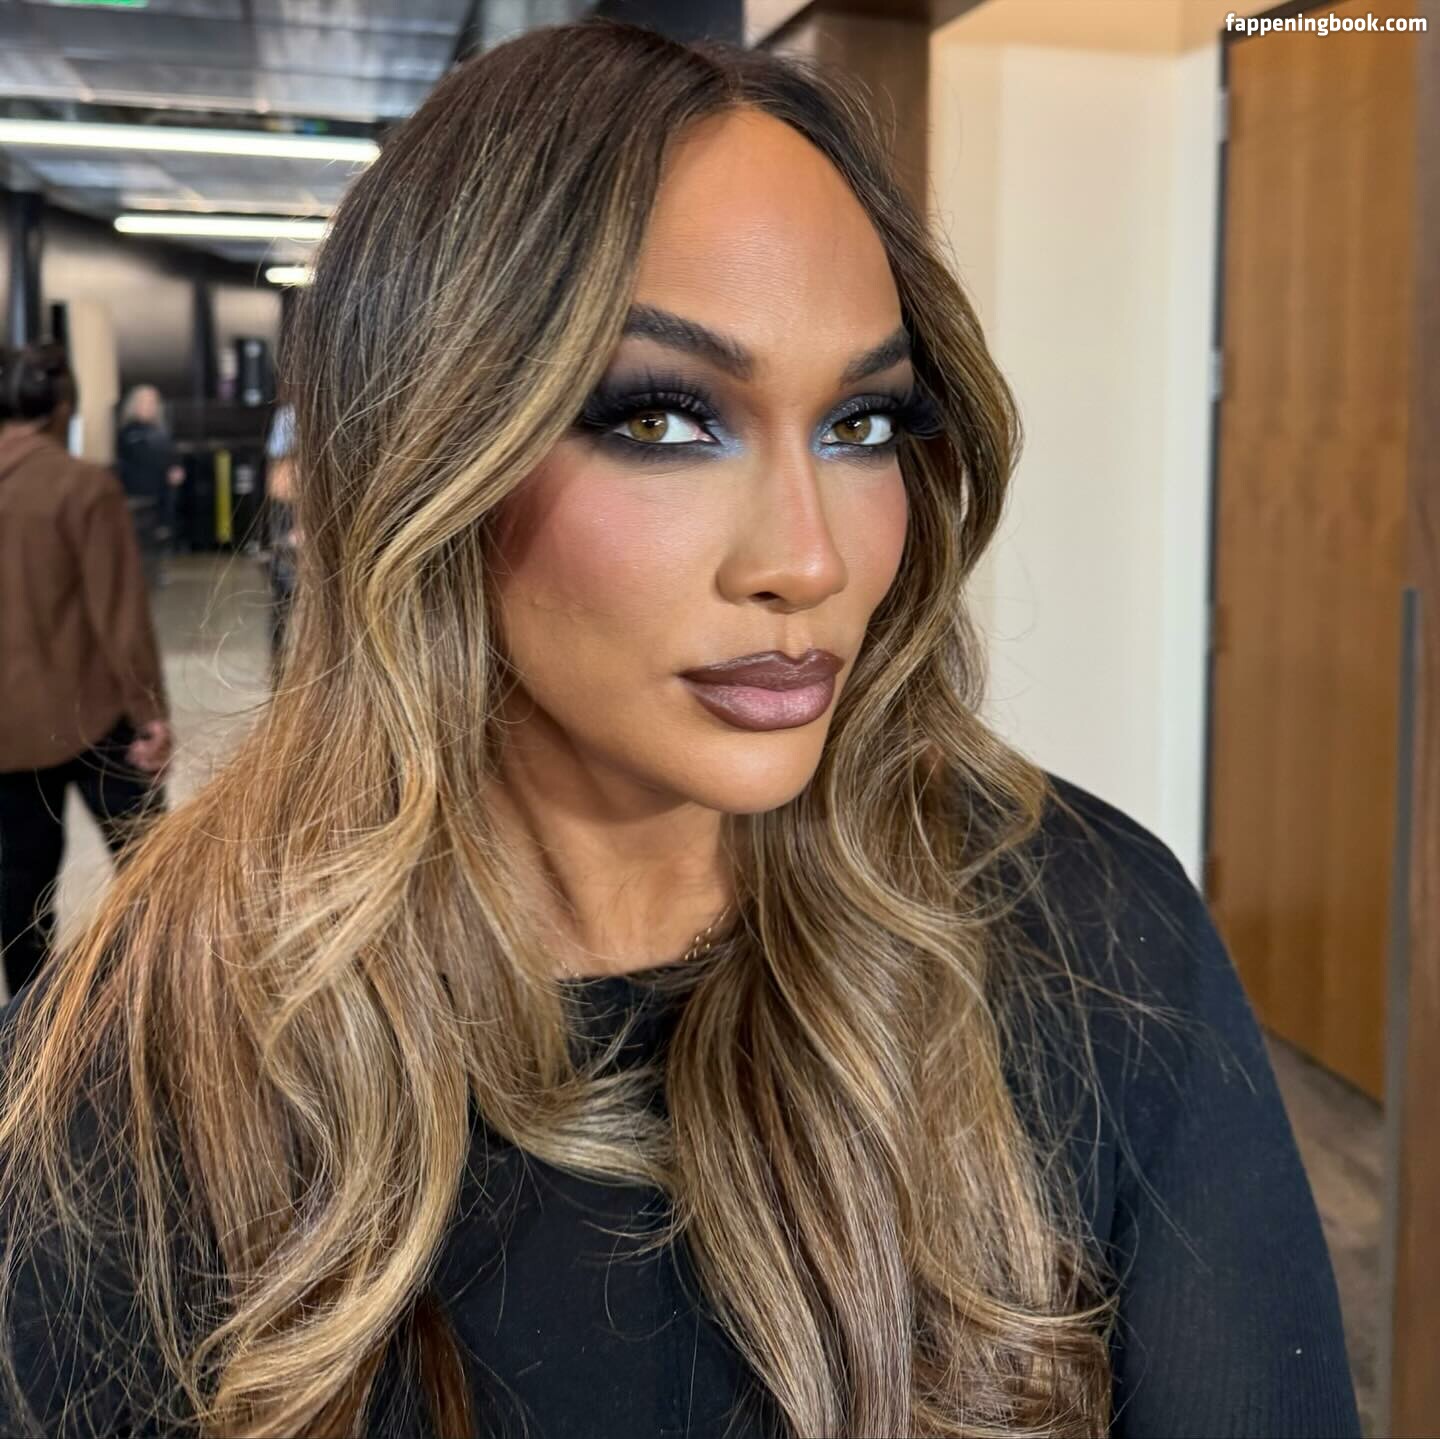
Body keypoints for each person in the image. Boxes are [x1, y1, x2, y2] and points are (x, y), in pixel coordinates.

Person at [0, 21, 1360, 1439]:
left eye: (863, 423)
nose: (808, 559)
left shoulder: (1092, 933)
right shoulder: (139, 1072)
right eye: (662, 418)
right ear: (432, 450)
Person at [0, 345, 173, 1003]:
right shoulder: (83, 488)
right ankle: (152, 1001)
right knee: (150, 868)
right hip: (95, 717)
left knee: (20, 888)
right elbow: (119, 616)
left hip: (8, 734)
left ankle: (33, 1025)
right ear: (62, 409)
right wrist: (151, 715)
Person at [114, 384, 185, 589]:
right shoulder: (128, 433)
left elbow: (171, 456)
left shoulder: (160, 432)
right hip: (139, 493)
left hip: (163, 493)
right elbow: (139, 460)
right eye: (145, 402)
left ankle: (156, 570)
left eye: (153, 402)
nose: (149, 406)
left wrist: (176, 469)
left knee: (161, 533)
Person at [263, 398, 299, 671]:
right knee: (285, 586)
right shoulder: (288, 417)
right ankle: (280, 654)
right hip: (290, 507)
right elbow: (277, 459)